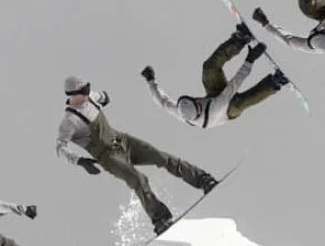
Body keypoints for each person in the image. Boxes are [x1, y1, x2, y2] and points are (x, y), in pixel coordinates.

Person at [55, 76, 214, 233]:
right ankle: (160, 218)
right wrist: (79, 161)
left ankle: (203, 179)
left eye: (87, 89)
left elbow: (103, 97)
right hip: (108, 156)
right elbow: (60, 147)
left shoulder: (90, 97)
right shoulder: (70, 121)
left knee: (161, 157)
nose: (87, 93)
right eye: (84, 91)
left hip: (122, 140)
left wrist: (104, 98)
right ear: (72, 95)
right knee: (138, 179)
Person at [141, 23, 289, 128]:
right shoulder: (215, 109)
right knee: (239, 103)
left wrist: (150, 80)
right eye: (198, 105)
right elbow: (234, 85)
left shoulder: (180, 111)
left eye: (195, 100)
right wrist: (250, 60)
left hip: (213, 95)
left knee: (209, 68)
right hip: (226, 110)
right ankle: (275, 83)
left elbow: (162, 102)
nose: (198, 102)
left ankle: (240, 39)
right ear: (199, 111)